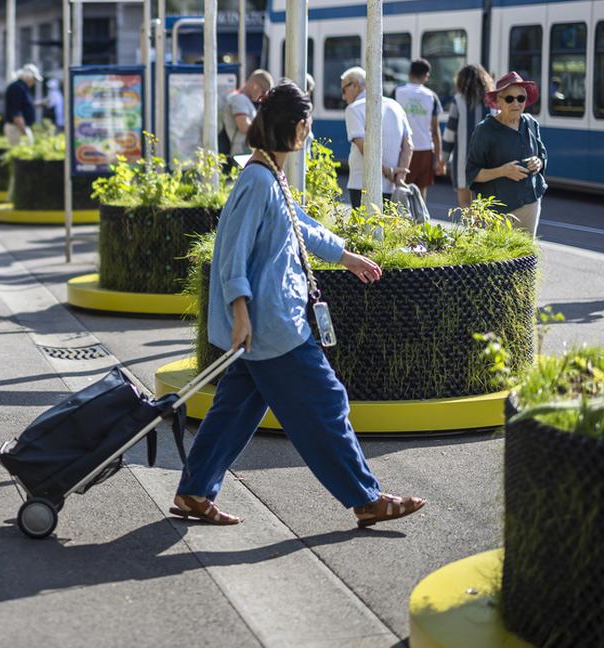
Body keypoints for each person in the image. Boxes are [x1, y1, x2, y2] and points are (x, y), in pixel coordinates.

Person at [170, 81, 425, 528]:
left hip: (265, 323)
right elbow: (232, 255)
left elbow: (299, 225)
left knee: (235, 410)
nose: (309, 132)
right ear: (295, 125)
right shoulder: (258, 180)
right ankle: (365, 498)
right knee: (326, 401)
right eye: (306, 124)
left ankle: (194, 491)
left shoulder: (268, 173)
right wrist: (241, 313)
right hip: (273, 324)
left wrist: (345, 256)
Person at [467, 71, 548, 234]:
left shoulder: (531, 123)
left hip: (531, 202)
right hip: (498, 210)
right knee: (499, 251)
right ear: (498, 101)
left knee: (527, 249)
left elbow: (542, 155)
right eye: (509, 99)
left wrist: (538, 162)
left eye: (521, 98)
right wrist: (503, 171)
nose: (516, 103)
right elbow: (472, 174)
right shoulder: (485, 130)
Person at [341, 67, 412, 209]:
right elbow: (408, 145)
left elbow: (364, 147)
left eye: (344, 90)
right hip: (392, 186)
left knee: (364, 223)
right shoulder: (395, 106)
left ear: (355, 85)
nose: (343, 97)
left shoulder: (353, 109)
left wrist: (387, 171)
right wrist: (399, 176)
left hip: (362, 184)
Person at [445, 65, 495, 210]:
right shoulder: (492, 101)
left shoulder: (458, 100)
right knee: (484, 205)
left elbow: (449, 133)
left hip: (463, 161)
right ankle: (480, 224)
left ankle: (471, 224)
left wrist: (443, 158)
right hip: (488, 161)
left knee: (465, 203)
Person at [394, 59, 444, 201]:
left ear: (410, 74)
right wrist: (439, 159)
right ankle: (420, 213)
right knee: (421, 190)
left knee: (400, 187)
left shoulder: (397, 92)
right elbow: (435, 130)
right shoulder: (431, 96)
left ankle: (402, 214)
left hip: (402, 149)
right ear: (426, 76)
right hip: (425, 149)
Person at [223, 69, 275, 160]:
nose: (262, 97)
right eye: (263, 92)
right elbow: (244, 126)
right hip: (242, 150)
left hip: (244, 148)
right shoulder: (239, 99)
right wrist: (266, 133)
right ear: (255, 86)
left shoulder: (242, 99)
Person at [4, 65, 40, 146]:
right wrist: (23, 130)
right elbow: (16, 112)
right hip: (17, 127)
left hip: (21, 127)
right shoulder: (17, 88)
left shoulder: (23, 88)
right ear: (28, 76)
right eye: (34, 79)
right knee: (21, 151)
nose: (34, 82)